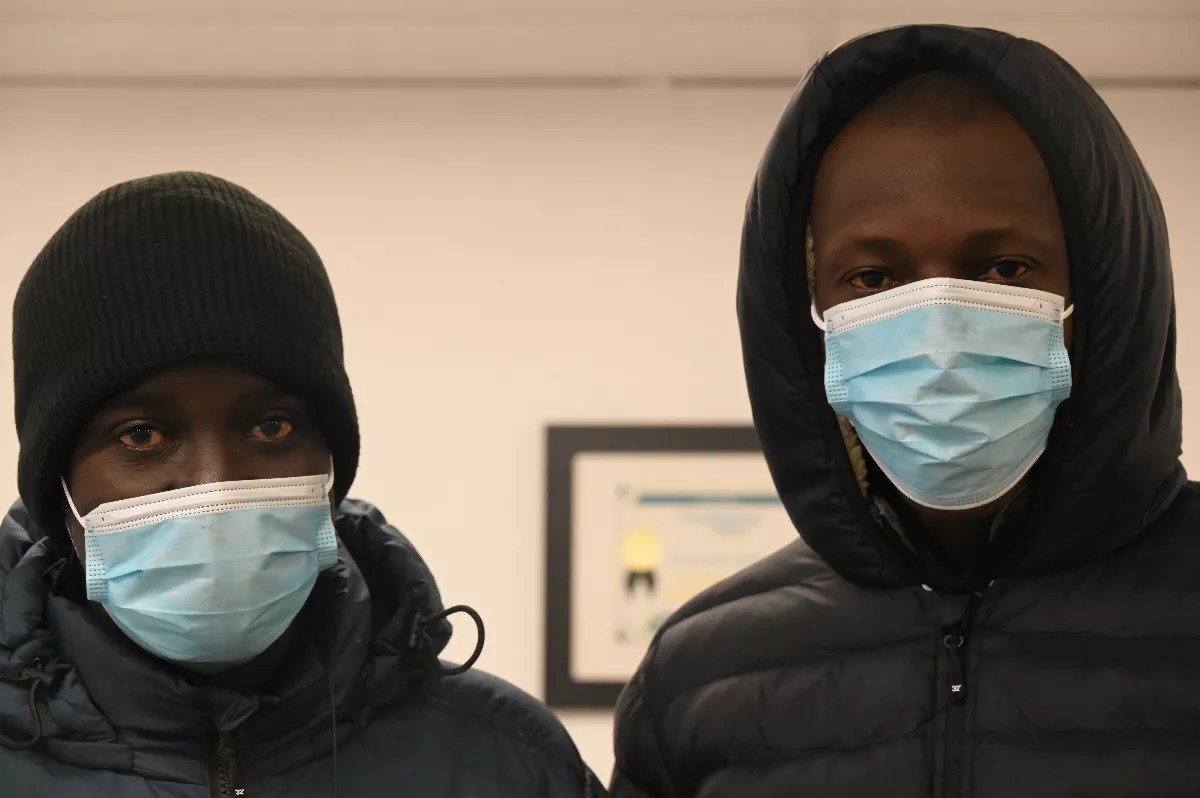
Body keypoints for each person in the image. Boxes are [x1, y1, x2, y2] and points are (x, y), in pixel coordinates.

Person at [612, 24, 1196, 797]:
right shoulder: (698, 677)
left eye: (1002, 267)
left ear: (1110, 287)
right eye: (873, 278)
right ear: (805, 309)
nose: (941, 324)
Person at [0, 171, 605, 797]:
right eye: (143, 436)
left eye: (270, 425)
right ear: (59, 486)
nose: (218, 487)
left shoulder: (512, 764)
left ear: (332, 465)